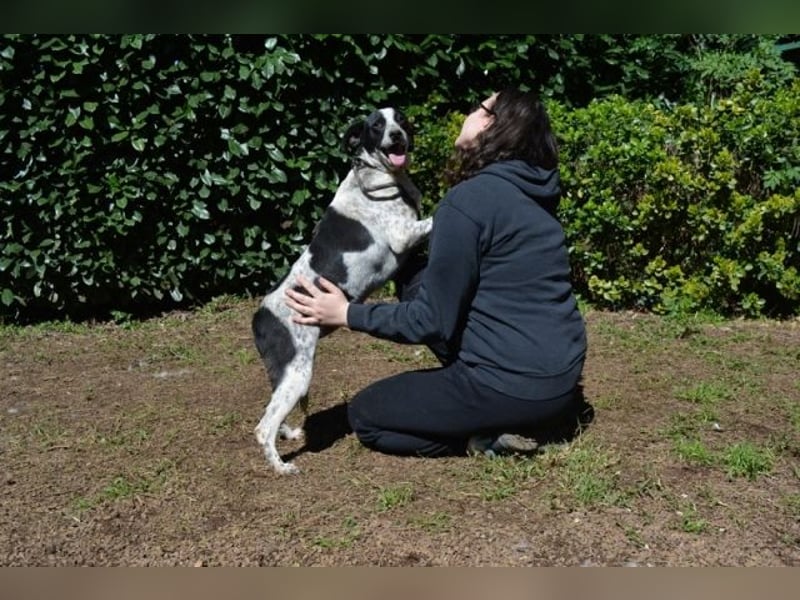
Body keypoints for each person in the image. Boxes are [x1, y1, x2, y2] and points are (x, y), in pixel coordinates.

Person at [285, 88, 587, 458]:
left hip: (511, 385)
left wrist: (345, 313)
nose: (468, 113)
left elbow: (429, 321)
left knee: (366, 414)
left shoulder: (468, 201)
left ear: (492, 126)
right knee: (415, 278)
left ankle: (482, 439)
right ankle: (515, 414)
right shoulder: (534, 191)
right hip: (563, 381)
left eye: (479, 108)